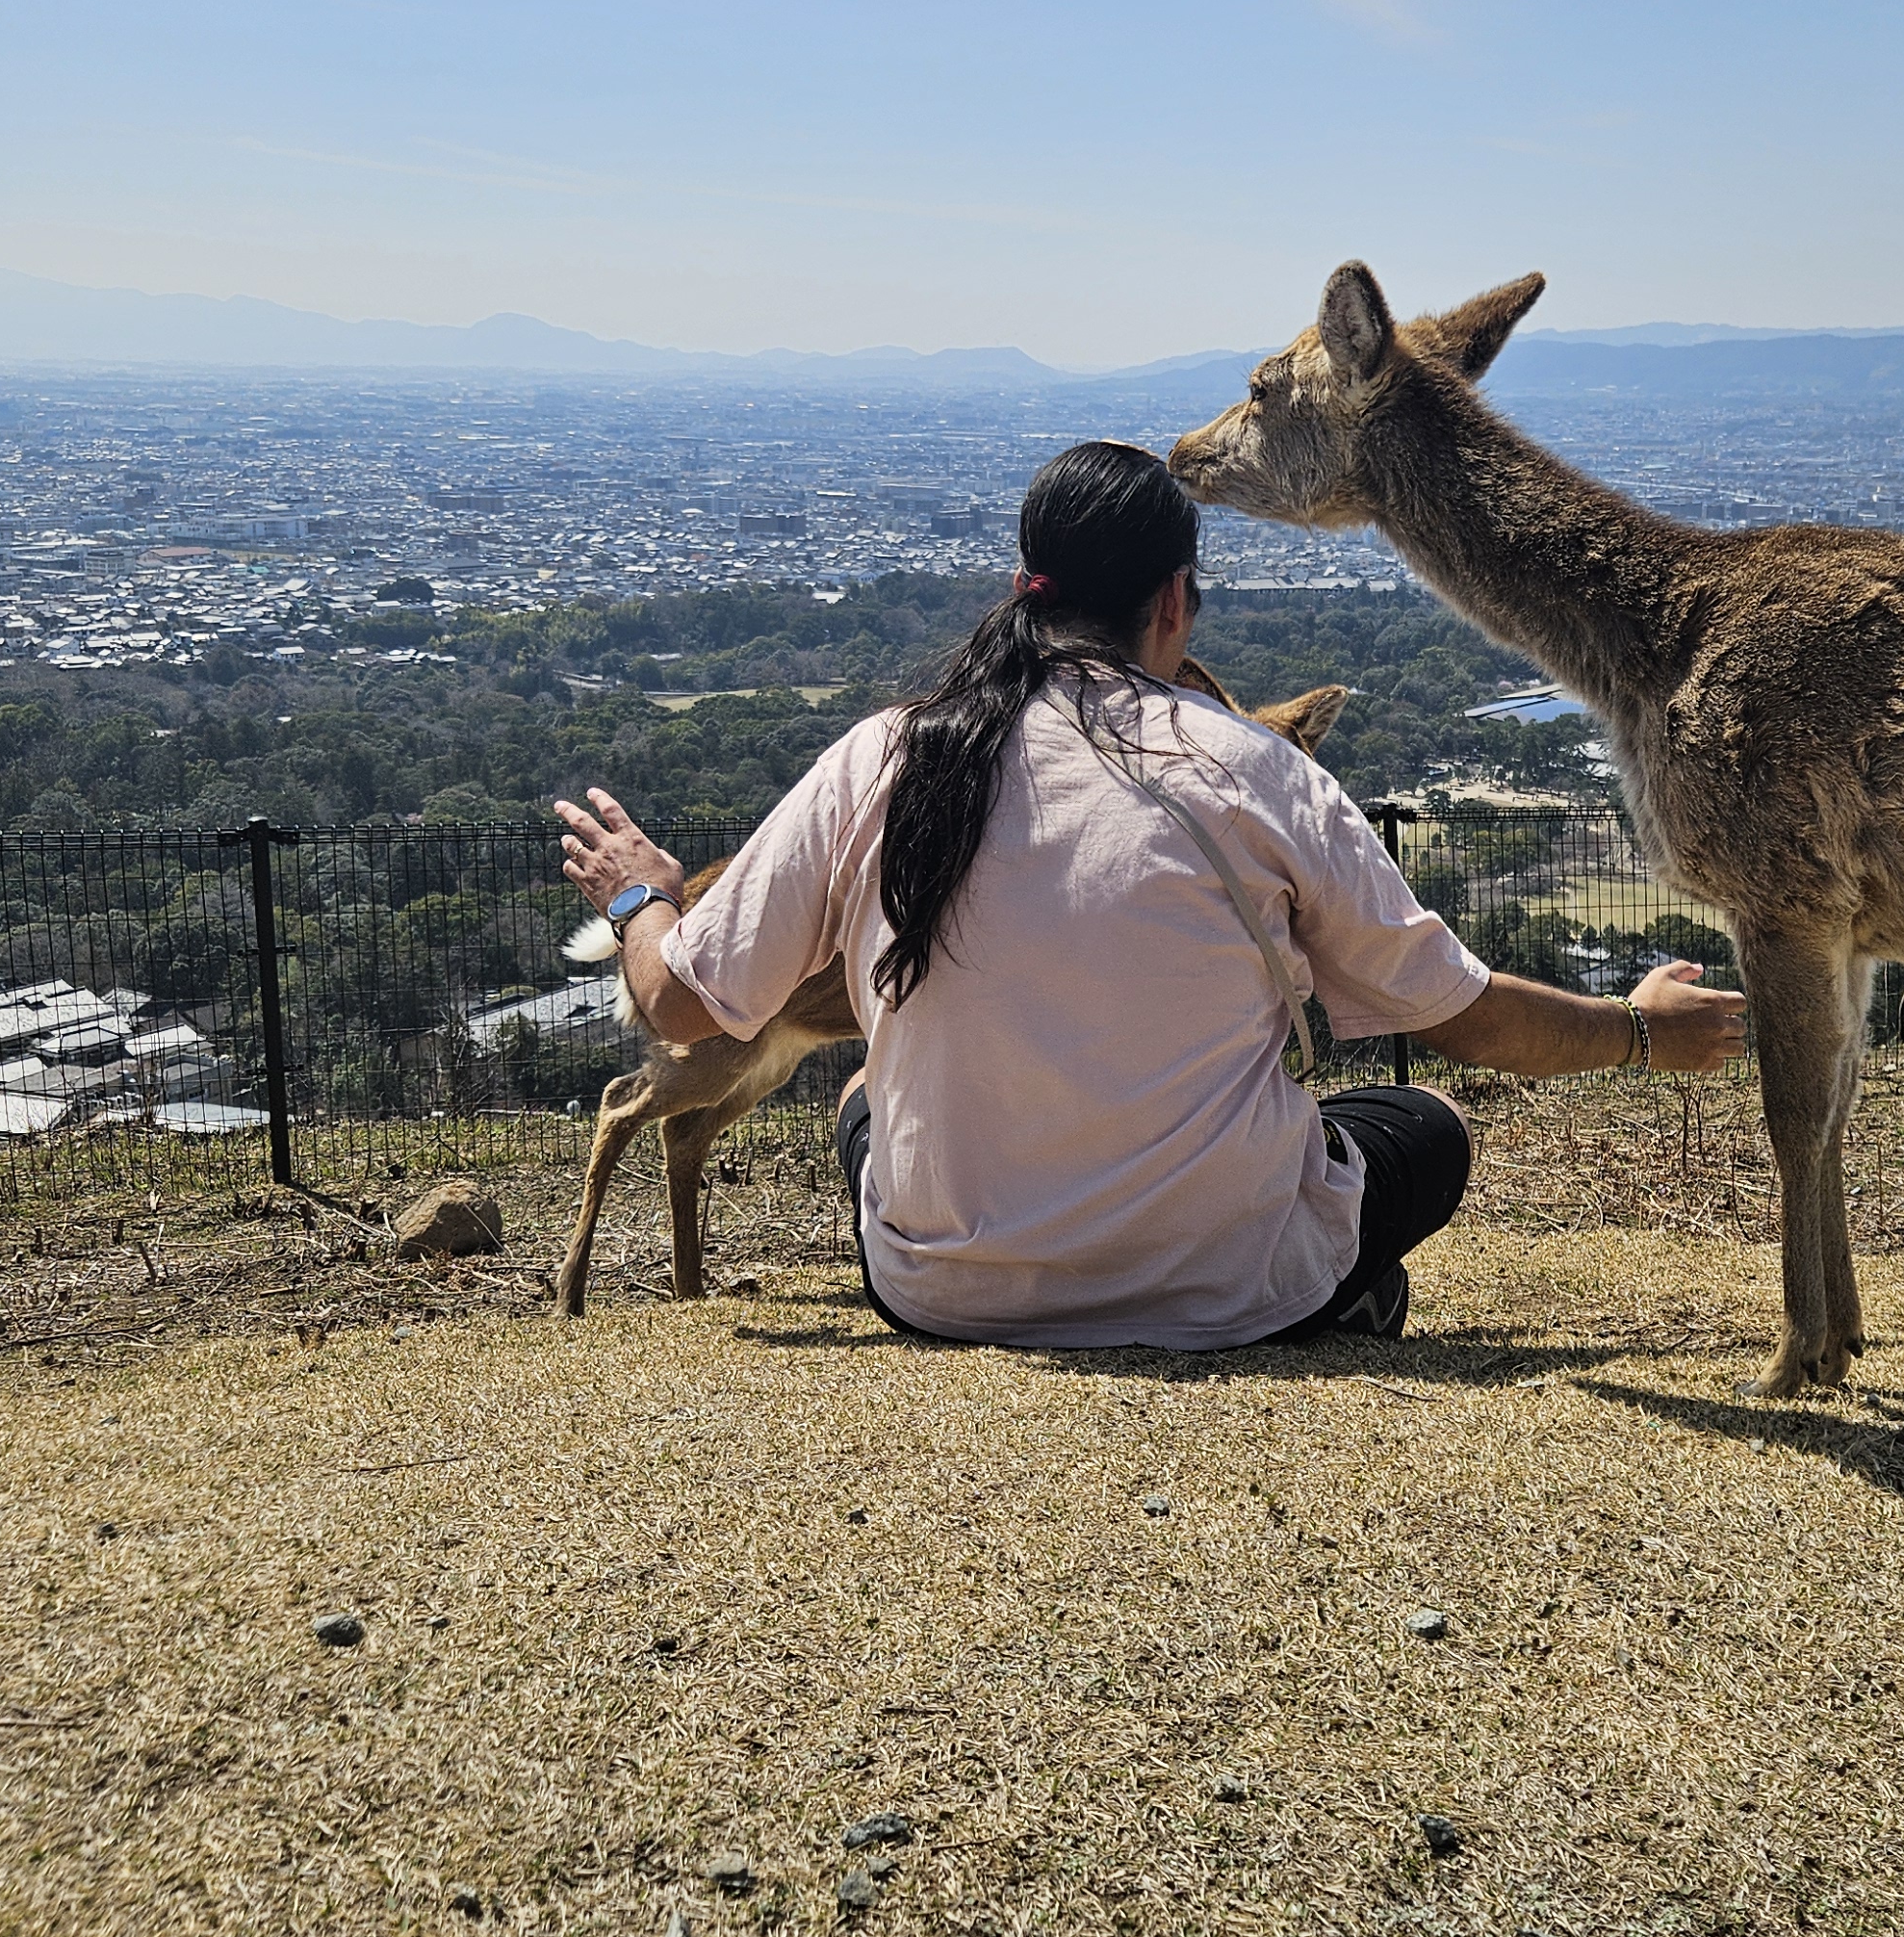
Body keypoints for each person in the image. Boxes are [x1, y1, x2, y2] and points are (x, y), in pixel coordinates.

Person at [553, 441, 1743, 1348]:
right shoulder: (1260, 770)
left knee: (866, 1093)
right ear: (1174, 601)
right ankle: (1333, 1292)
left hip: (939, 1289)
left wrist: (639, 898)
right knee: (1425, 1126)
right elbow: (1467, 1019)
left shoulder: (885, 754)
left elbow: (681, 1004)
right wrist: (1638, 1030)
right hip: (1230, 1282)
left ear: (1024, 591)